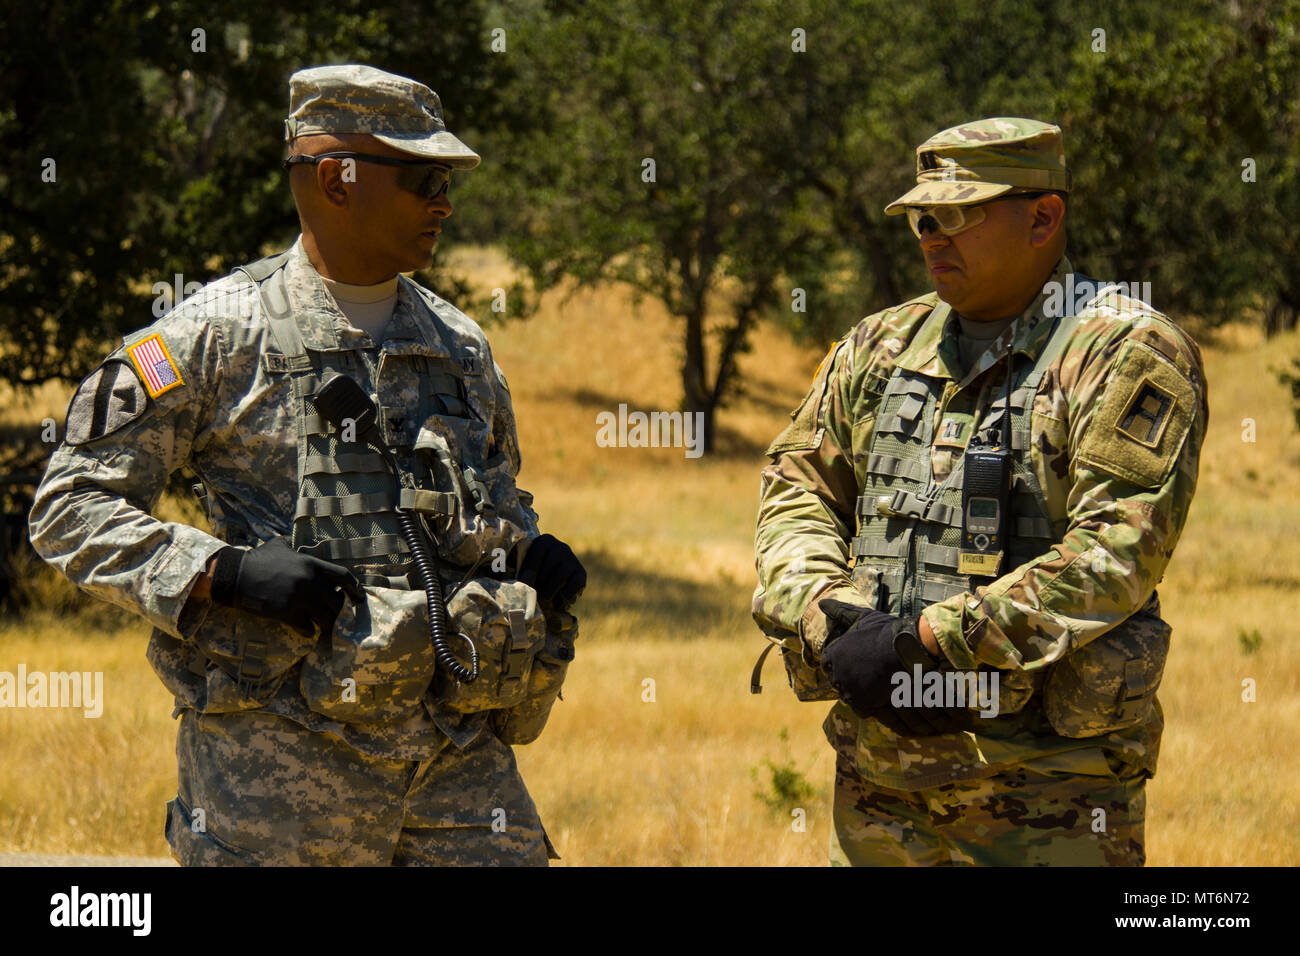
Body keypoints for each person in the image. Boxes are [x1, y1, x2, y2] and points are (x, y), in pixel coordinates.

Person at [29, 64, 585, 866]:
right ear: (336, 179)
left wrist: (526, 555)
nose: (446, 203)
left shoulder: (460, 346)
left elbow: (490, 500)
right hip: (276, 772)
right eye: (425, 177)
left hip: (454, 762)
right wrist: (219, 570)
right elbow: (68, 504)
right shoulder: (207, 337)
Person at [751, 117, 1207, 866]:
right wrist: (822, 608)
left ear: (1043, 217)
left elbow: (1117, 552)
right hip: (878, 786)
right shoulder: (878, 346)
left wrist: (929, 642)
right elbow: (798, 484)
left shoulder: (1123, 350)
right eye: (922, 217)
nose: (933, 235)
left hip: (1048, 798)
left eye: (959, 214)